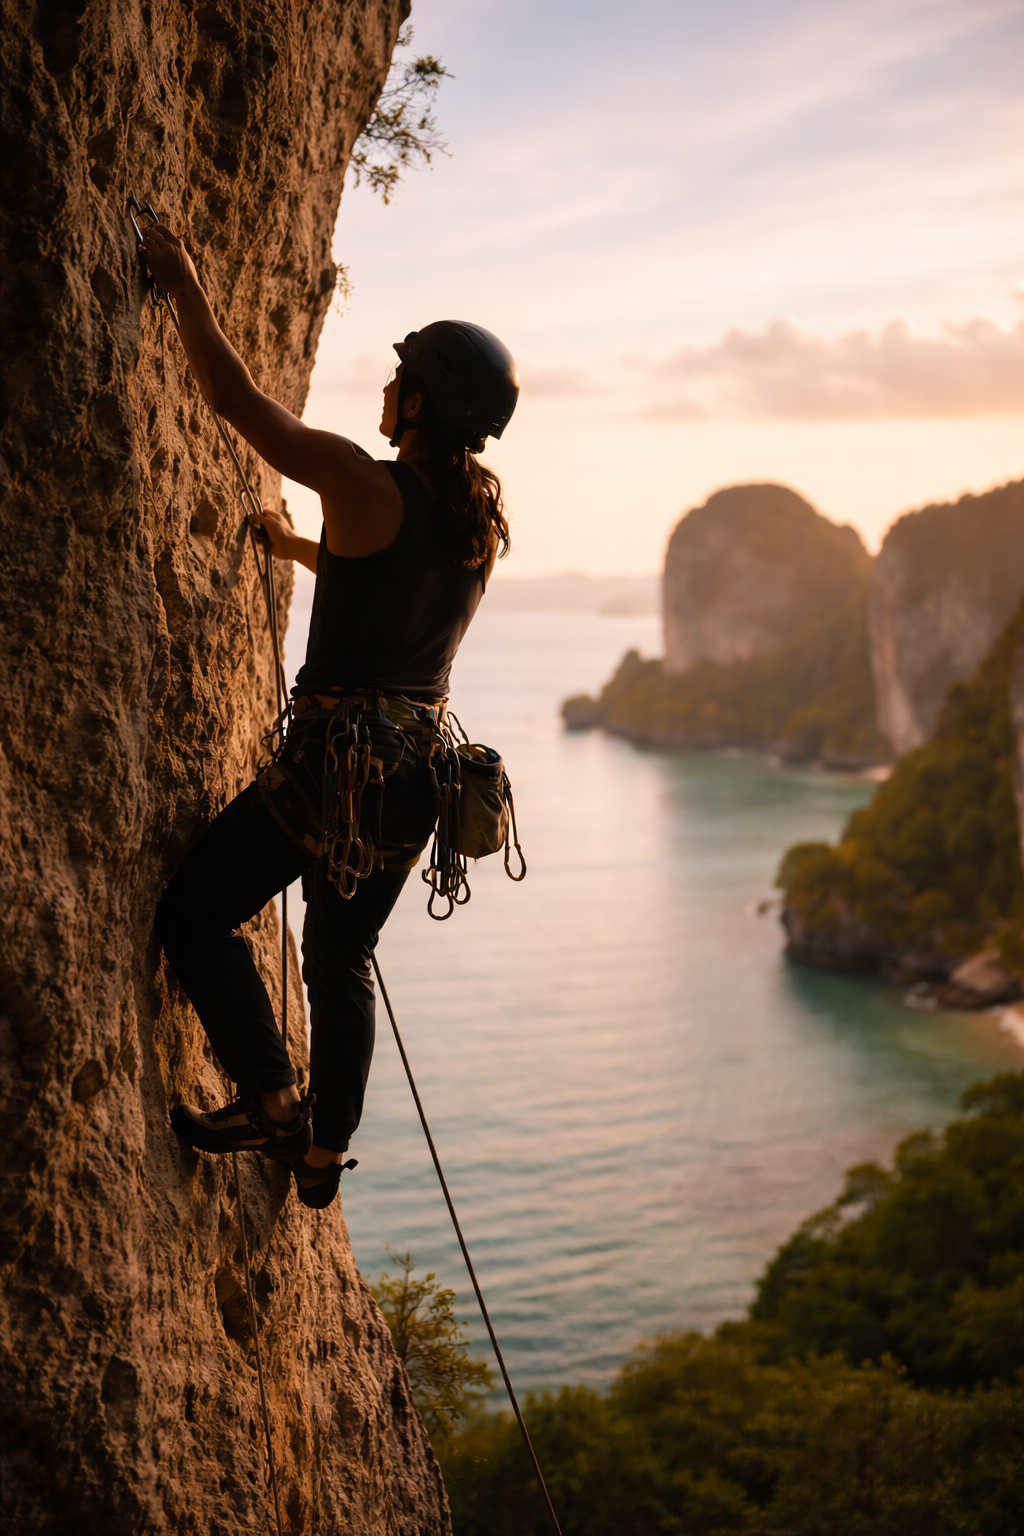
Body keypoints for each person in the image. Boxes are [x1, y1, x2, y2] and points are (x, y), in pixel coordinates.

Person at [140, 224, 519, 1209]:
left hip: (332, 770)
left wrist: (184, 277)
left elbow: (234, 404)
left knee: (194, 914)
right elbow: (390, 585)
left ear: (423, 399)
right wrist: (298, 550)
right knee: (343, 956)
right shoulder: (474, 523)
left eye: (400, 377)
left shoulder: (364, 480)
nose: (385, 390)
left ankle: (268, 1097)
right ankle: (320, 1156)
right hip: (413, 781)